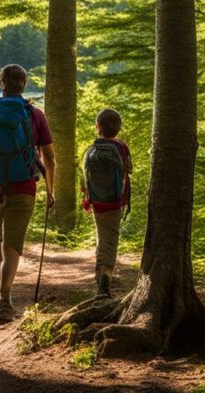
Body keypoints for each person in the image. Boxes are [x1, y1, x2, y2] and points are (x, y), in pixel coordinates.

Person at [0, 64, 56, 325]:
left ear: (1, 82)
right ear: (24, 84)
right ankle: (5, 299)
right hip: (25, 186)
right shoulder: (34, 114)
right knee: (12, 244)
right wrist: (51, 190)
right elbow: (49, 158)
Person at [80, 108, 132, 300]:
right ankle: (104, 283)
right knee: (110, 241)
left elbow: (85, 178)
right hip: (114, 202)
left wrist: (87, 200)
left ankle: (99, 278)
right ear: (118, 128)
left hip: (97, 202)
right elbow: (127, 173)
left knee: (102, 238)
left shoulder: (92, 149)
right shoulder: (121, 147)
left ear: (97, 128)